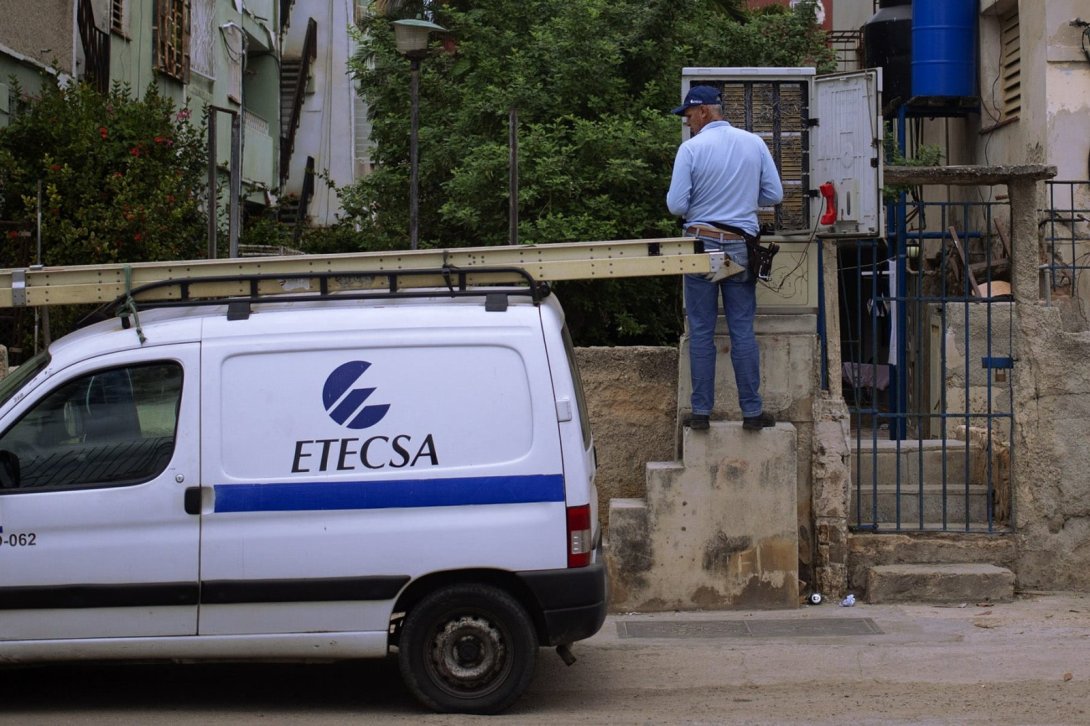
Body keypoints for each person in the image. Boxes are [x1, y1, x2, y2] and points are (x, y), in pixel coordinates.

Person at [666, 85, 784, 432]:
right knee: (742, 330)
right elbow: (774, 194)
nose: (688, 123)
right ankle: (752, 413)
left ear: (704, 111)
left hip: (701, 246)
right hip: (739, 247)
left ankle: (701, 413)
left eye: (689, 116)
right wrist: (744, 198)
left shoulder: (691, 149)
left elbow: (676, 206)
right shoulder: (754, 143)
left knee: (701, 330)